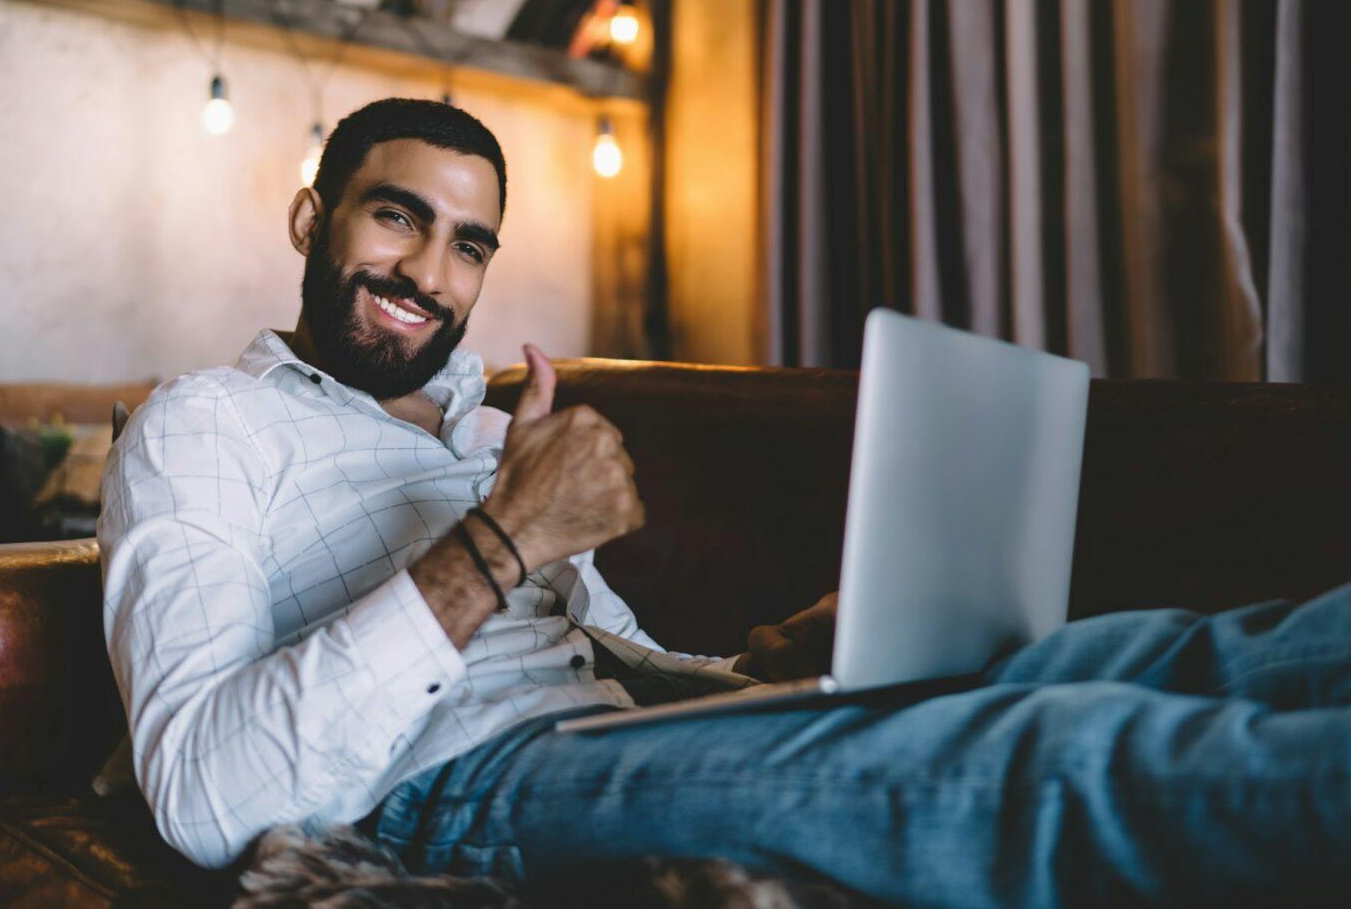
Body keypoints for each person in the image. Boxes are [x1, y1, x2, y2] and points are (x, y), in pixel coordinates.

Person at [99, 98, 1351, 907]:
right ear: (311, 220)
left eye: (470, 244)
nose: (430, 272)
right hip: (453, 787)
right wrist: (505, 536)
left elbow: (602, 658)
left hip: (603, 739)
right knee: (1053, 754)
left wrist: (759, 667)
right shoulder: (204, 423)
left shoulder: (491, 432)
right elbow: (207, 793)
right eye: (398, 218)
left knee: (1149, 657)